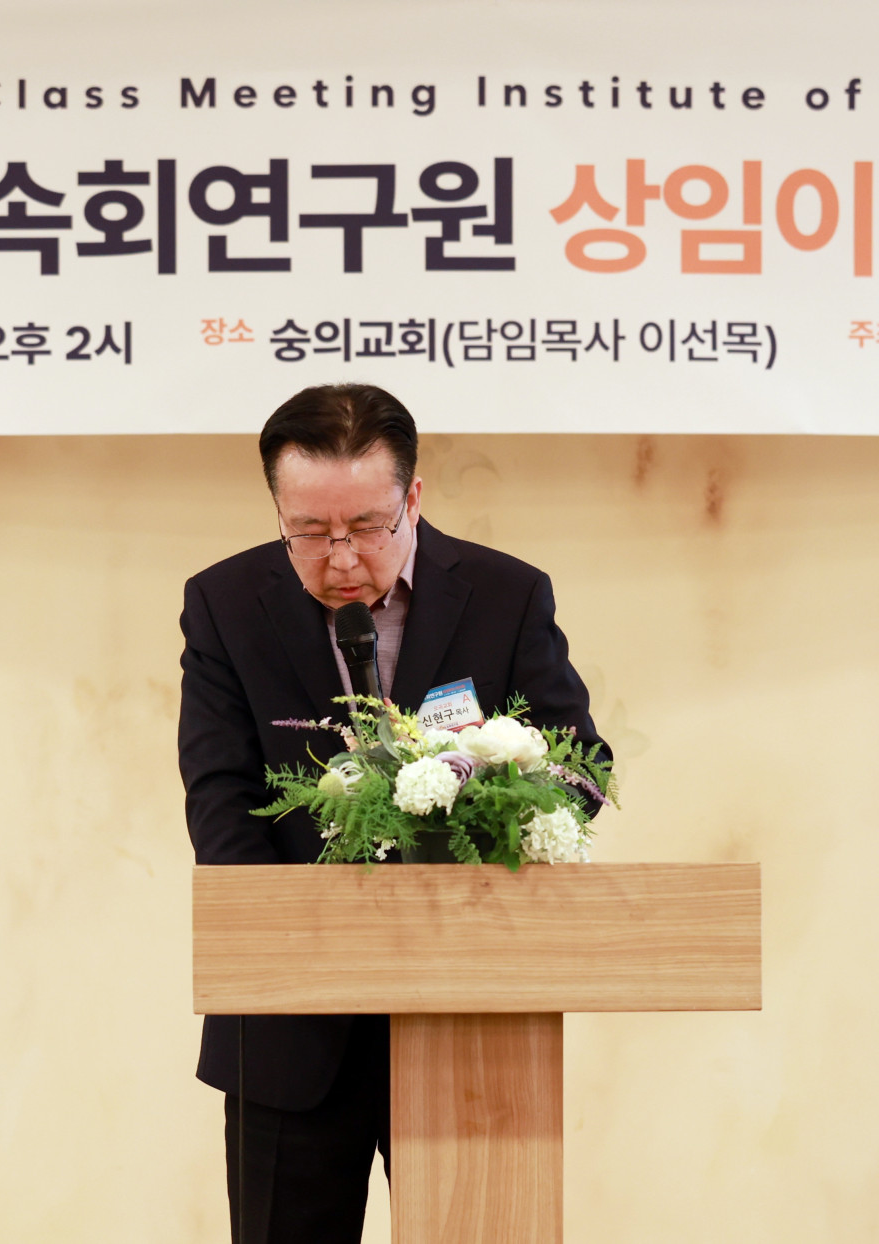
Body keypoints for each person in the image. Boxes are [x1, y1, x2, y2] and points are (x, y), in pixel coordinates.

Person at [177, 382, 609, 1243]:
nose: (340, 558)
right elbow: (220, 799)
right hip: (292, 1031)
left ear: (412, 497)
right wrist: (310, 944)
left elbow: (580, 772)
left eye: (366, 528)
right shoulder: (225, 602)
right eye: (308, 532)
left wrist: (492, 796)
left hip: (471, 1019)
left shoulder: (506, 595)